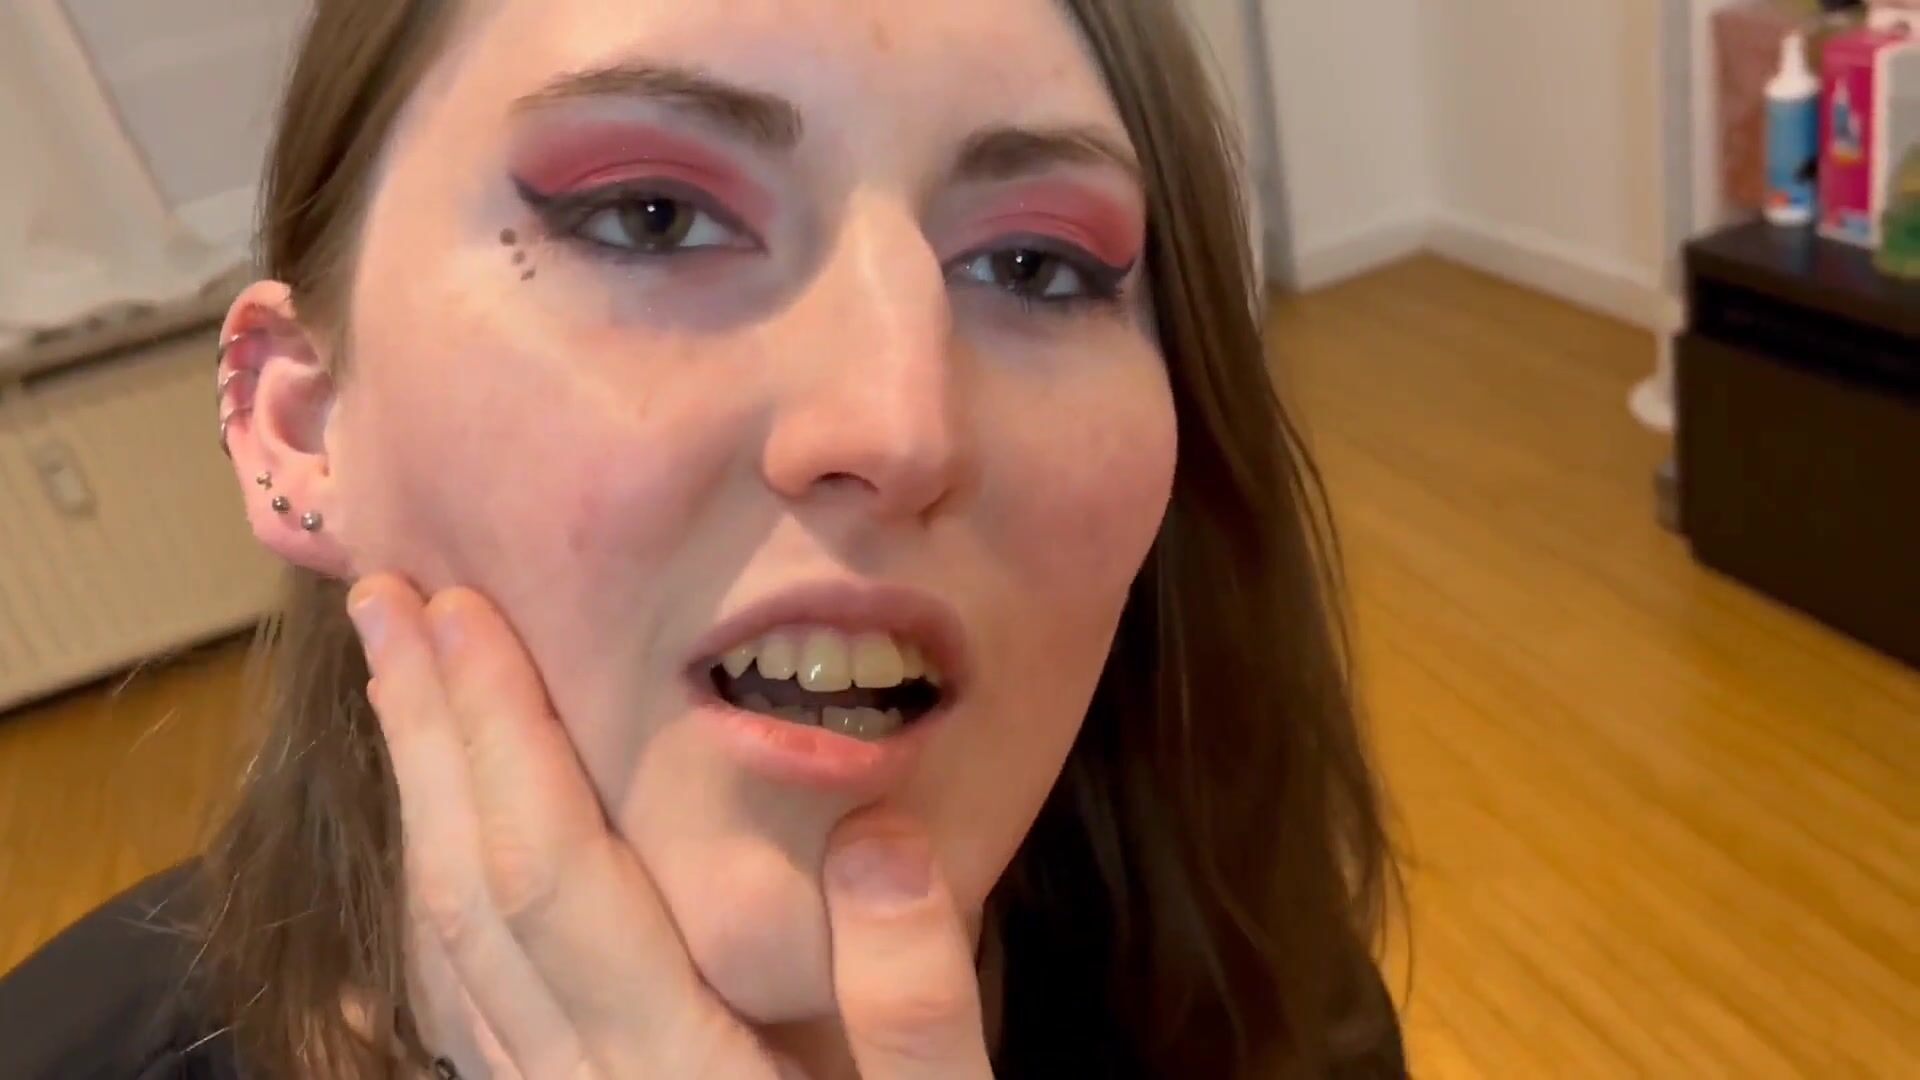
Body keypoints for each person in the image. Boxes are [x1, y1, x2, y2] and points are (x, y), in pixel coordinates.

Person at [0, 1, 1405, 1076]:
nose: (901, 423)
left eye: (1033, 266)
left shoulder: (1279, 1013)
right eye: (651, 218)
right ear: (301, 426)